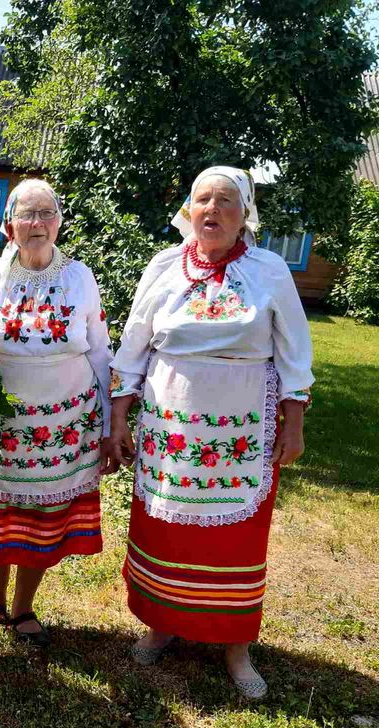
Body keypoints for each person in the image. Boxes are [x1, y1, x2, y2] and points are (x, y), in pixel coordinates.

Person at [105, 166, 313, 699]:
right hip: (170, 431)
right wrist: (118, 418)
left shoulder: (268, 271)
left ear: (245, 217)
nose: (213, 210)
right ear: (188, 212)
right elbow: (133, 348)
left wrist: (294, 422)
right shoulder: (164, 267)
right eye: (203, 200)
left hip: (241, 435)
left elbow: (293, 353)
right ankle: (161, 623)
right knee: (165, 529)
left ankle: (236, 646)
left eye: (226, 201)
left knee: (234, 540)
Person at [0, 179, 118, 648]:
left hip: (64, 422)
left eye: (47, 213)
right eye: (27, 214)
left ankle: (23, 606)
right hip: (2, 423)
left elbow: (99, 351)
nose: (38, 223)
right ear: (8, 224)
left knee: (43, 516)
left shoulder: (80, 278)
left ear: (59, 222)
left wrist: (111, 422)